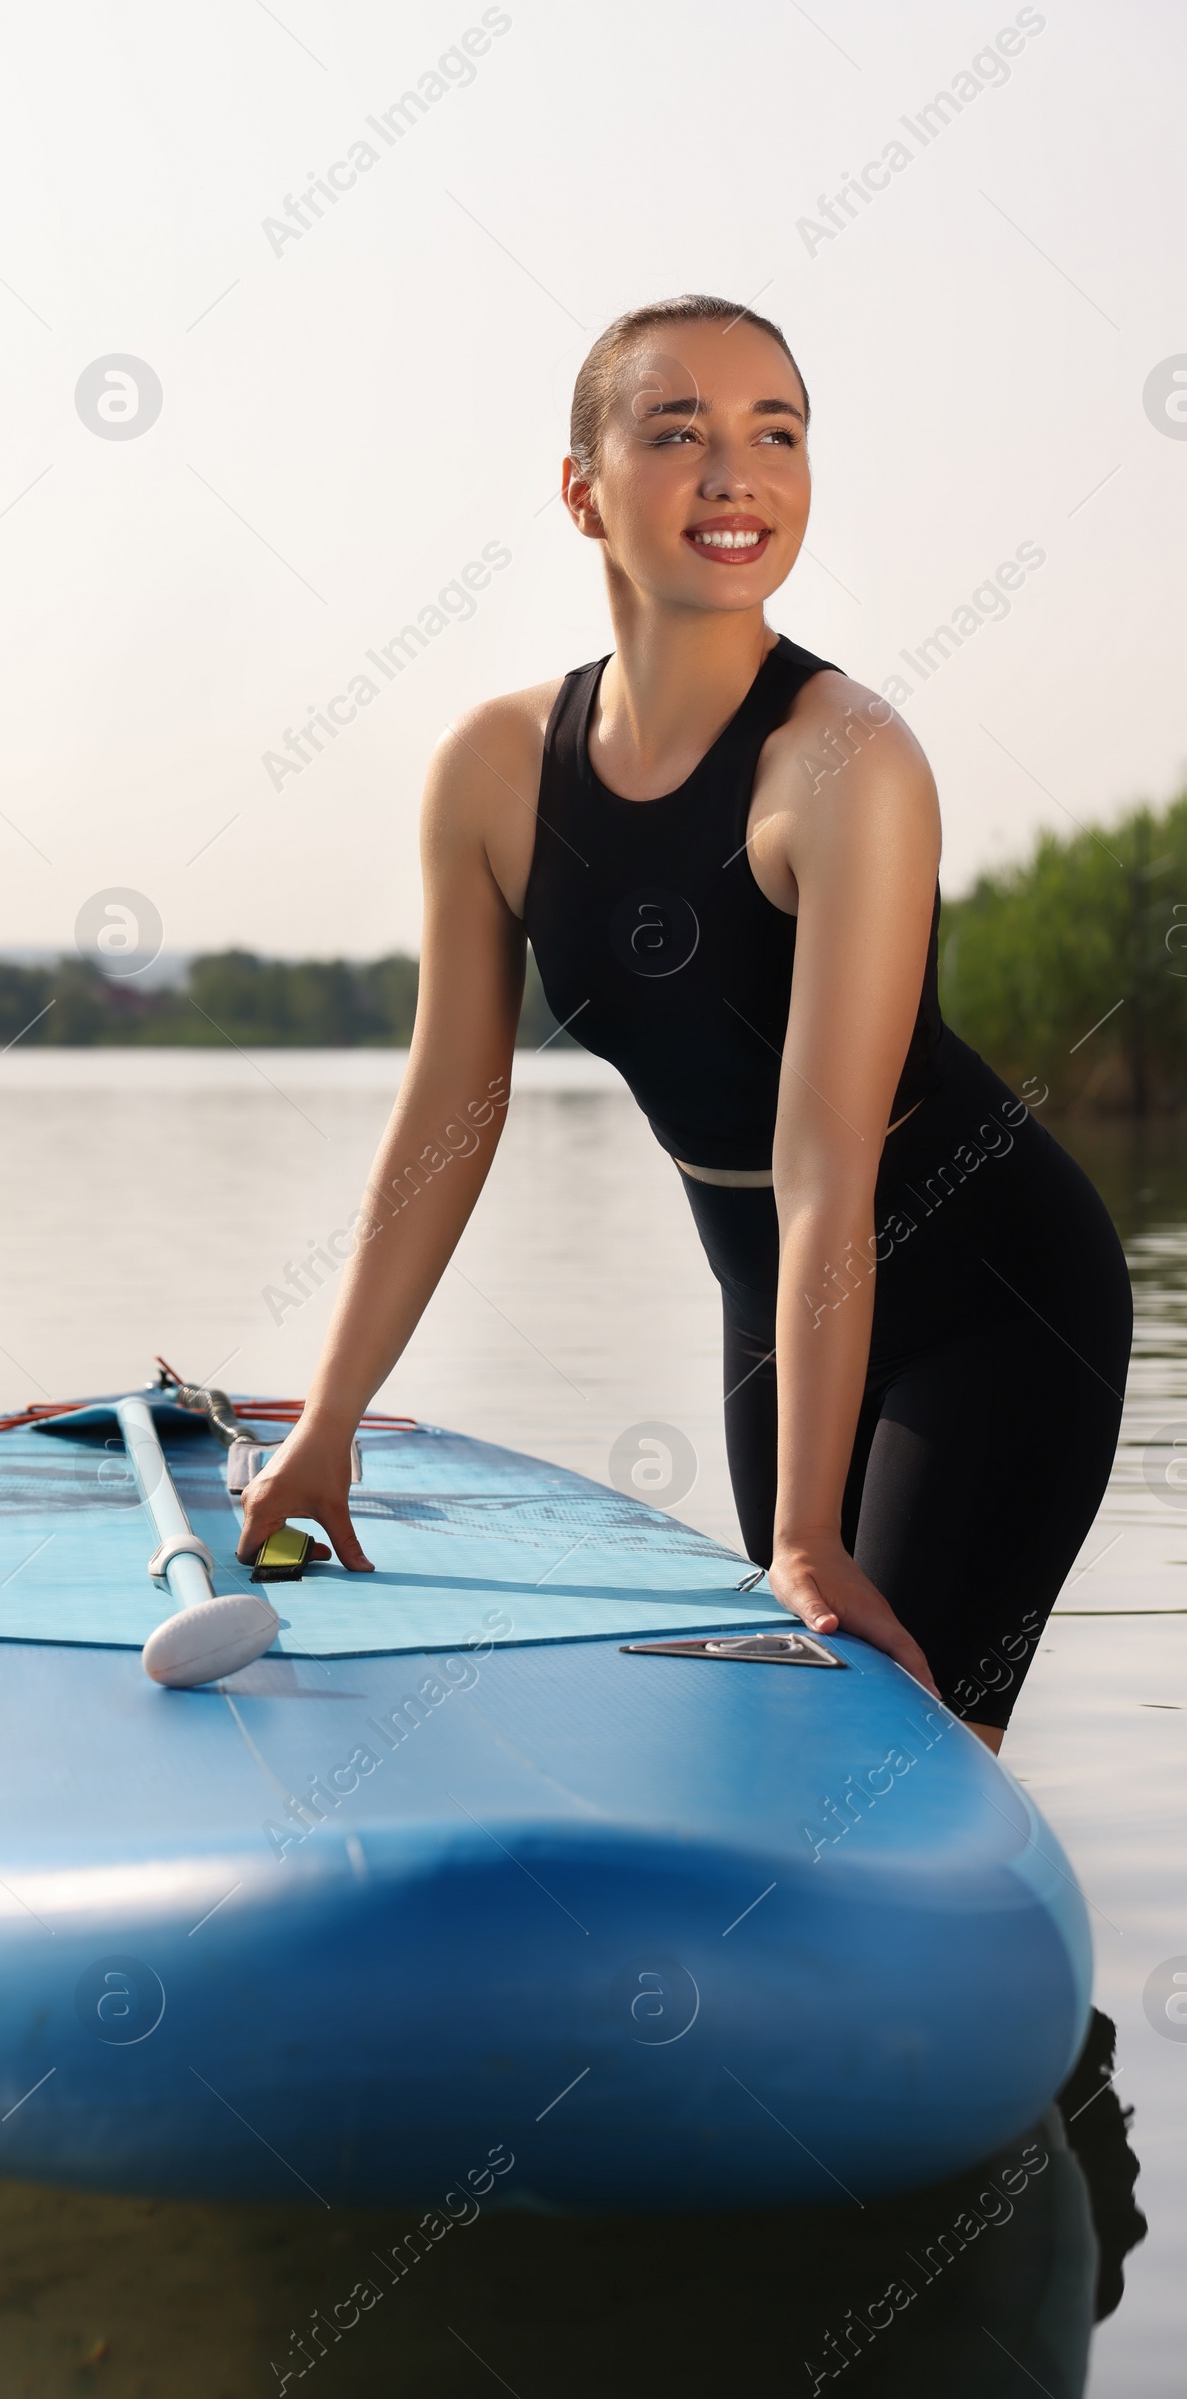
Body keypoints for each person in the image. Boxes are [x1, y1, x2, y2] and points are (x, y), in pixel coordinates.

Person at [237, 294, 1133, 1753]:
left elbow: (825, 1167)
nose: (739, 475)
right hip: (773, 1306)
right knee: (800, 1741)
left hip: (996, 1298)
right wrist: (327, 1422)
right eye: (681, 434)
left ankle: (1000, 1983)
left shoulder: (844, 765)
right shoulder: (492, 774)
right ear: (583, 490)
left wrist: (799, 1533)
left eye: (775, 433)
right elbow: (447, 1119)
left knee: (893, 1745)